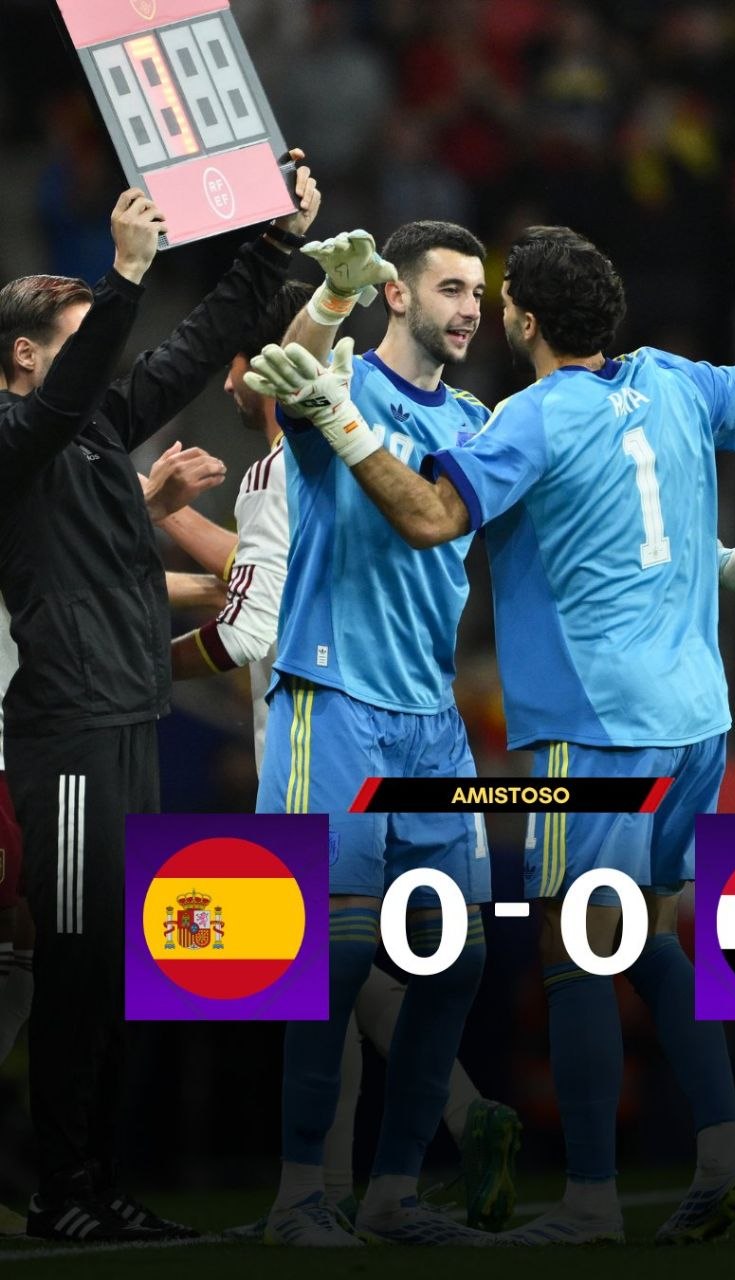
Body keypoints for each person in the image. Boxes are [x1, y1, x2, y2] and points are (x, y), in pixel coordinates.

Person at [247, 225, 735, 1245]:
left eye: (482, 291)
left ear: (520, 316)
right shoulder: (351, 383)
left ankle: (404, 1193)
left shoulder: (496, 418)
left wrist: (716, 556)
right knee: (346, 951)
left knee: (473, 957)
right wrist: (328, 305)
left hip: (472, 718)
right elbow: (291, 379)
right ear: (397, 294)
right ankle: (302, 1192)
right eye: (450, 288)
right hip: (338, 695)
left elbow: (492, 510)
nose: (471, 307)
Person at [0, 157, 320, 1243]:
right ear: (24, 355)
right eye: (79, 339)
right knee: (76, 959)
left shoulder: (88, 429)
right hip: (69, 732)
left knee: (112, 965)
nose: (102, 356)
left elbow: (188, 350)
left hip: (126, 717)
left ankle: (93, 1183)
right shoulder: (13, 436)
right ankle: (60, 1189)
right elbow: (78, 393)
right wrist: (126, 277)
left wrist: (273, 246)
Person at [162, 276, 523, 1238]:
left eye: (235, 364)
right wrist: (162, 516)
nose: (228, 383)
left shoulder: (280, 467)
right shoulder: (330, 463)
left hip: (313, 728)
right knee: (360, 964)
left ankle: (315, 1191)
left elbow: (249, 621)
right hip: (401, 719)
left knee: (327, 959)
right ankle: (420, 1144)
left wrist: (139, 668)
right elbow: (261, 568)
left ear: (254, 369)